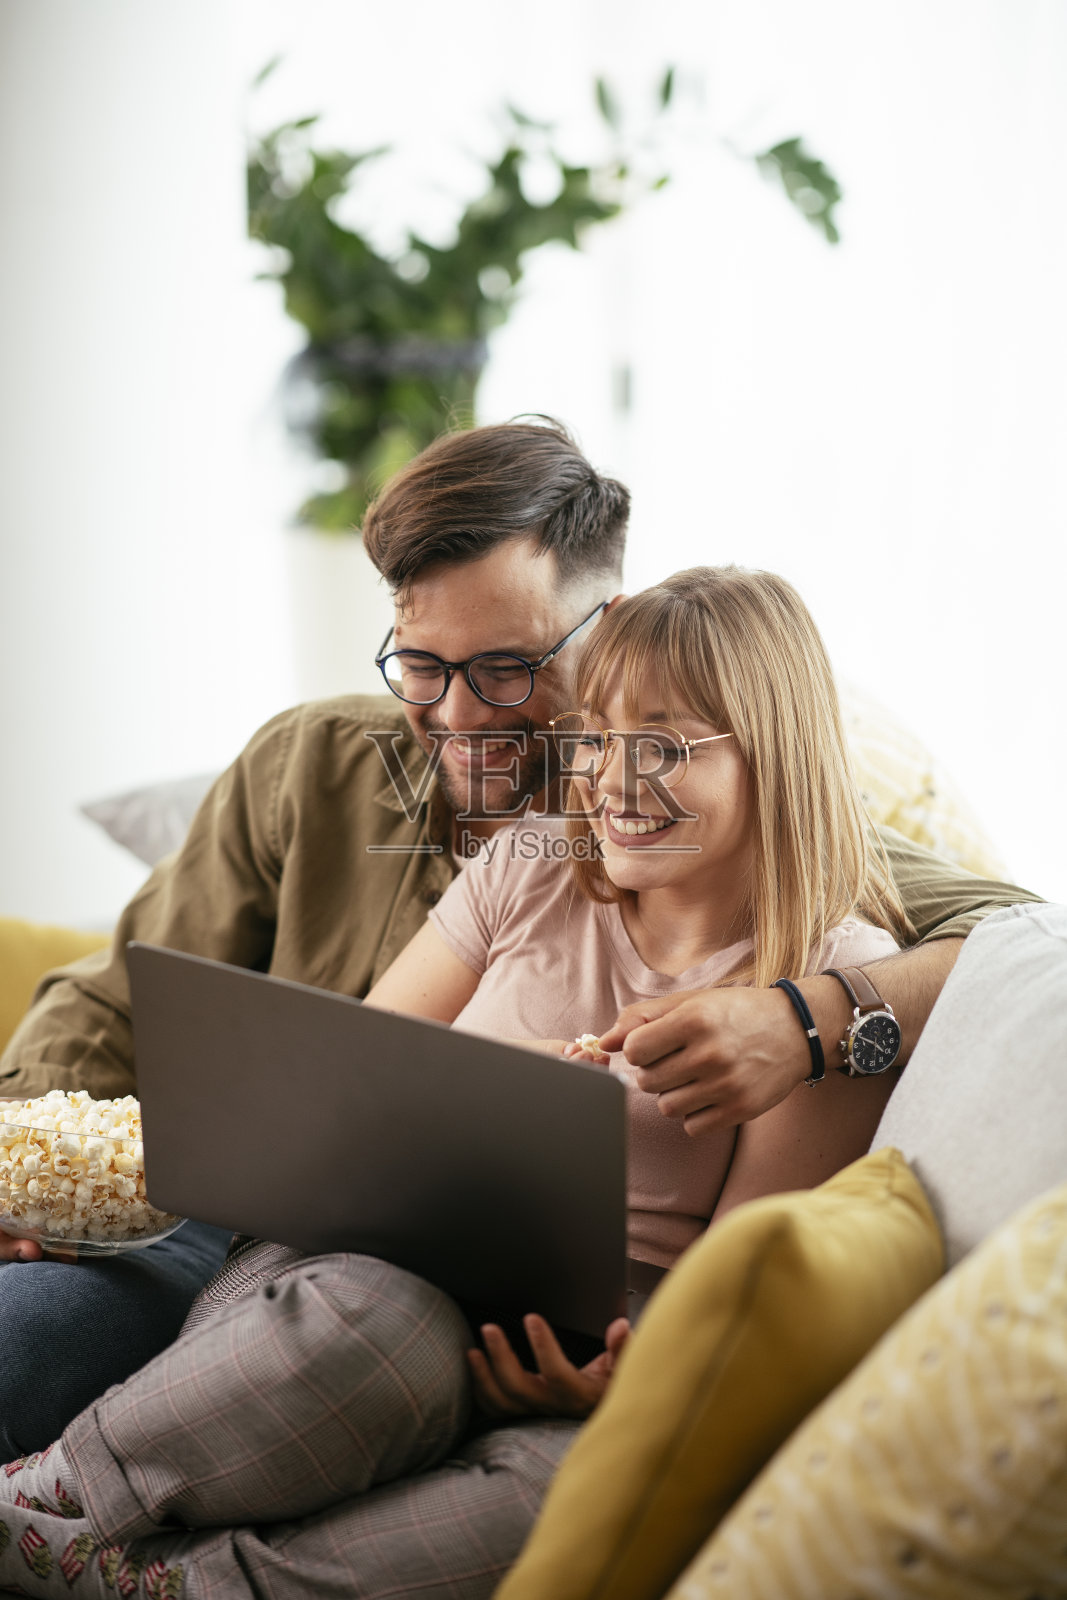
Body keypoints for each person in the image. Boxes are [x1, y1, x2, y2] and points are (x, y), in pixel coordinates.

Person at [0, 420, 1039, 1590]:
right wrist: (27, 1171)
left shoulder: (719, 820)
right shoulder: (332, 770)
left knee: (522, 1473)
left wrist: (802, 1021)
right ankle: (50, 1505)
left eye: (504, 668)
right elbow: (123, 992)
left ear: (598, 634)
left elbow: (1017, 944)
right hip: (274, 1234)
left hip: (508, 1322)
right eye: (421, 665)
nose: (455, 715)